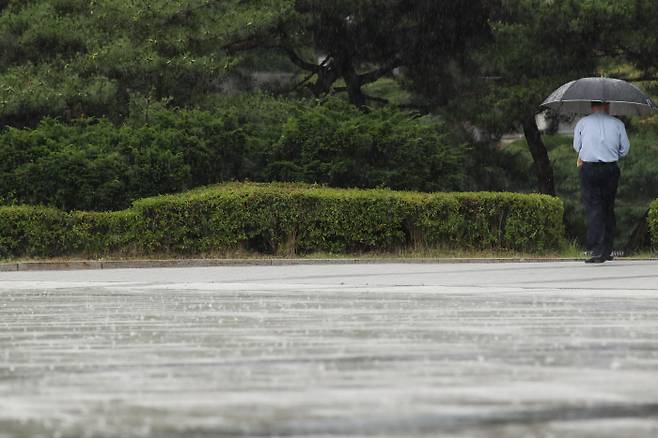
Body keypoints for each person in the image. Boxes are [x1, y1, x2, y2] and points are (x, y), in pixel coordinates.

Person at [573, 101, 630, 264]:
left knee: (593, 207)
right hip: (610, 168)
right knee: (608, 207)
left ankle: (597, 250)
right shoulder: (618, 123)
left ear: (592, 106)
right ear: (607, 105)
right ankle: (608, 249)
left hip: (589, 169)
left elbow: (577, 147)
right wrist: (612, 152)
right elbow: (625, 149)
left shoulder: (582, 123)